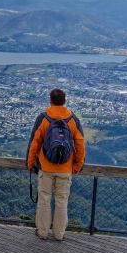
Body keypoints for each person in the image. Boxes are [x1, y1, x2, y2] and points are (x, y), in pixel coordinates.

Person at [26, 88, 86, 241]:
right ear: (64, 100)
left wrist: (30, 163)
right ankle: (59, 234)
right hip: (66, 169)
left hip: (45, 168)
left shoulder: (43, 118)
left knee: (44, 200)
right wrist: (78, 165)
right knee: (62, 201)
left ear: (50, 100)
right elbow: (80, 144)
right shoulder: (72, 119)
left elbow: (34, 143)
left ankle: (43, 232)